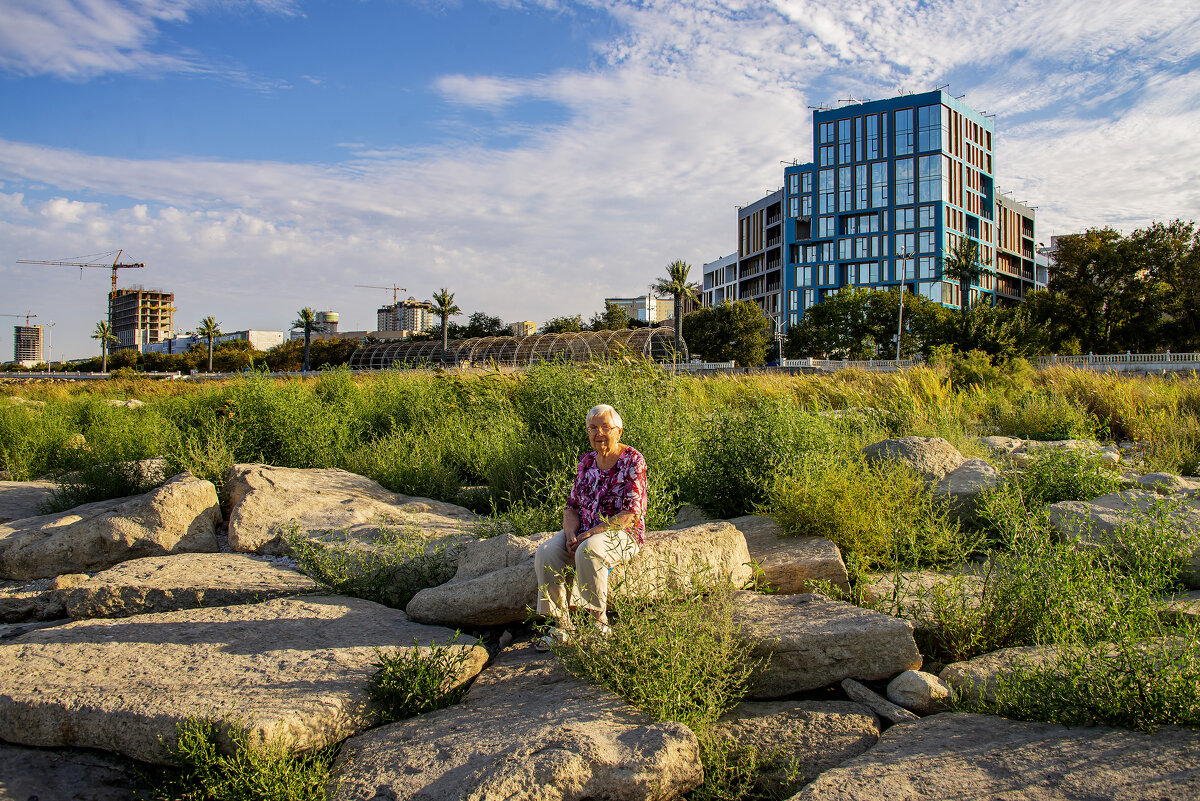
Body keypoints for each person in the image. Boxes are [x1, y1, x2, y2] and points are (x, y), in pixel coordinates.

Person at [533, 403, 648, 647]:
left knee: (590, 549)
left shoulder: (633, 460)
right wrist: (571, 533)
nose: (599, 434)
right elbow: (571, 507)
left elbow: (632, 514)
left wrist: (590, 534)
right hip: (584, 529)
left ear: (619, 430)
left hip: (621, 533)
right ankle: (561, 626)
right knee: (546, 552)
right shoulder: (586, 462)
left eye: (605, 427)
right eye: (592, 428)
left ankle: (599, 623)